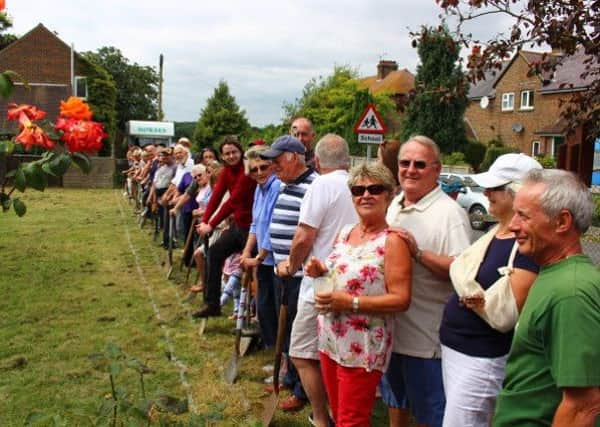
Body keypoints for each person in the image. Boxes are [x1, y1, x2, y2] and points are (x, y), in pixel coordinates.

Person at [305, 162, 412, 426]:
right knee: (339, 414)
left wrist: (351, 303)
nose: (365, 195)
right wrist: (321, 272)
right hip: (331, 339)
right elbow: (341, 277)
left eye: (374, 188)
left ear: (388, 195)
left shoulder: (392, 241)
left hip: (362, 346)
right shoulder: (345, 233)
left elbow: (401, 299)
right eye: (358, 189)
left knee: (352, 420)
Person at [438, 154, 542, 427]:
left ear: (517, 192)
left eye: (495, 188)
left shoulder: (526, 245)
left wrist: (479, 302)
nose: (486, 193)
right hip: (457, 348)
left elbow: (505, 314)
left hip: (482, 357)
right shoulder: (496, 232)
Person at [493, 169, 600, 426]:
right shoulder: (555, 274)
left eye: (524, 216)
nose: (512, 225)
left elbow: (584, 405)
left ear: (562, 222)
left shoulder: (570, 293)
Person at [382, 135, 471, 427]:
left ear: (436, 169)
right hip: (392, 333)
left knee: (430, 415)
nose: (410, 170)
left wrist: (418, 253)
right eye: (405, 163)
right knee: (395, 402)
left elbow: (463, 273)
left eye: (419, 164)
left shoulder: (450, 215)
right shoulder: (394, 204)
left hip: (426, 339)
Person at [284, 134, 358, 426]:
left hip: (321, 282)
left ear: (316, 161)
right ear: (347, 159)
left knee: (301, 353)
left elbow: (304, 236)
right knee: (337, 354)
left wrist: (290, 265)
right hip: (352, 280)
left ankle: (321, 417)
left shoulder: (321, 185)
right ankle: (340, 414)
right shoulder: (357, 185)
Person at [260, 135, 318, 412]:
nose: (272, 165)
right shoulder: (286, 184)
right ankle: (288, 376)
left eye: (276, 160)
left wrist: (292, 264)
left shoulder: (313, 186)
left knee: (297, 332)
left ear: (293, 157)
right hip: (280, 269)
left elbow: (307, 234)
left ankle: (299, 390)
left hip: (298, 274)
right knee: (285, 328)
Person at [193, 135, 256, 318]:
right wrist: (205, 220)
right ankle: (212, 305)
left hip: (251, 229)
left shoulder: (246, 171)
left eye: (234, 152)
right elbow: (216, 197)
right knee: (213, 252)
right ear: (222, 156)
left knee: (251, 269)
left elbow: (232, 202)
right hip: (237, 226)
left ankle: (255, 311)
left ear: (240, 151)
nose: (230, 156)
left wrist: (211, 225)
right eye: (226, 153)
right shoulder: (227, 172)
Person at [240, 145, 281, 348]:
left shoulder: (276, 187)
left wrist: (259, 257)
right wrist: (247, 251)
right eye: (254, 169)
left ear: (272, 166)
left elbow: (274, 226)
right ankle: (271, 346)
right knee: (263, 305)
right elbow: (256, 223)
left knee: (274, 306)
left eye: (263, 167)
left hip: (275, 259)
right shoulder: (259, 188)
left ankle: (280, 354)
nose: (259, 173)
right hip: (263, 258)